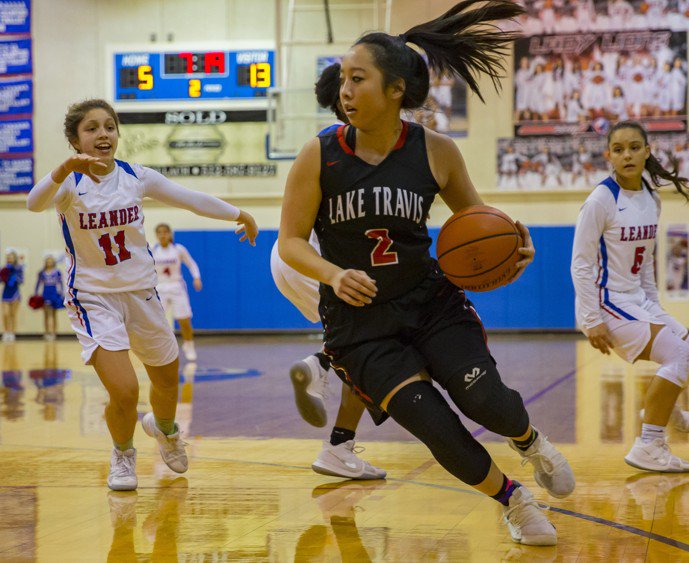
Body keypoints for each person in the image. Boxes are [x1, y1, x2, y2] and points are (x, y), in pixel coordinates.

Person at [278, 0, 574, 546]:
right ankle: (515, 500)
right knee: (438, 429)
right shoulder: (317, 155)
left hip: (430, 303)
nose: (343, 90)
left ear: (396, 91)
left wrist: (514, 245)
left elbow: (478, 225)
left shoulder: (436, 152)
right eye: (341, 78)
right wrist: (333, 272)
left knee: (487, 403)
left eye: (357, 78)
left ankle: (530, 441)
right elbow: (290, 243)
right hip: (360, 327)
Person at [26, 99, 258, 491]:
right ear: (74, 139)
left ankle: (165, 430)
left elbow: (191, 198)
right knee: (125, 390)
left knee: (168, 380)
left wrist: (240, 213)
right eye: (92, 128)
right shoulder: (67, 183)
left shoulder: (136, 176)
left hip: (142, 293)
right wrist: (65, 168)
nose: (103, 134)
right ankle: (122, 453)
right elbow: (33, 204)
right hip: (93, 297)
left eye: (109, 126)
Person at [571, 120, 689, 474]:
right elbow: (581, 265)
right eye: (618, 149)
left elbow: (646, 263)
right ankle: (649, 443)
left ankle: (664, 408)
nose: (627, 154)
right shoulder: (601, 200)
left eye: (634, 147)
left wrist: (657, 310)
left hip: (636, 299)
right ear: (608, 157)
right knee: (678, 354)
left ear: (648, 151)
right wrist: (590, 320)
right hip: (606, 302)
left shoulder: (651, 197)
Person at [270, 62, 386, 480]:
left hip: (289, 256)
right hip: (316, 257)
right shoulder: (351, 150)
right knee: (374, 344)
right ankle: (322, 371)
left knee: (371, 346)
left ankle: (338, 442)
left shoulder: (323, 145)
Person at [152, 223, 202, 362]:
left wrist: (196, 277)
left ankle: (189, 345)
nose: (163, 235)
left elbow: (191, 264)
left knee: (184, 319)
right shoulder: (153, 250)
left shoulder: (178, 249)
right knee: (157, 321)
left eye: (165, 232)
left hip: (176, 285)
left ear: (169, 234)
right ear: (157, 235)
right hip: (160, 287)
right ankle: (160, 348)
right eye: (160, 232)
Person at [34, 255, 65, 341]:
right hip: (45, 293)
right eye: (47, 261)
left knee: (54, 314)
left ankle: (54, 333)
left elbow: (60, 283)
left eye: (51, 261)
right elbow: (38, 283)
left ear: (53, 262)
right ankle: (46, 332)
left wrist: (62, 294)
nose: (49, 263)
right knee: (46, 314)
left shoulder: (57, 272)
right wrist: (36, 294)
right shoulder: (42, 272)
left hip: (54, 293)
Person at [1, 250, 24, 342]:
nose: (10, 258)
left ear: (15, 258)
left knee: (13, 315)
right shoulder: (4, 268)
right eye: (8, 257)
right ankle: (6, 332)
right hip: (6, 293)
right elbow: (1, 280)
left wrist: (15, 278)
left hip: (15, 293)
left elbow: (22, 280)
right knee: (5, 314)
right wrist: (4, 276)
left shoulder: (19, 268)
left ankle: (12, 333)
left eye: (11, 257)